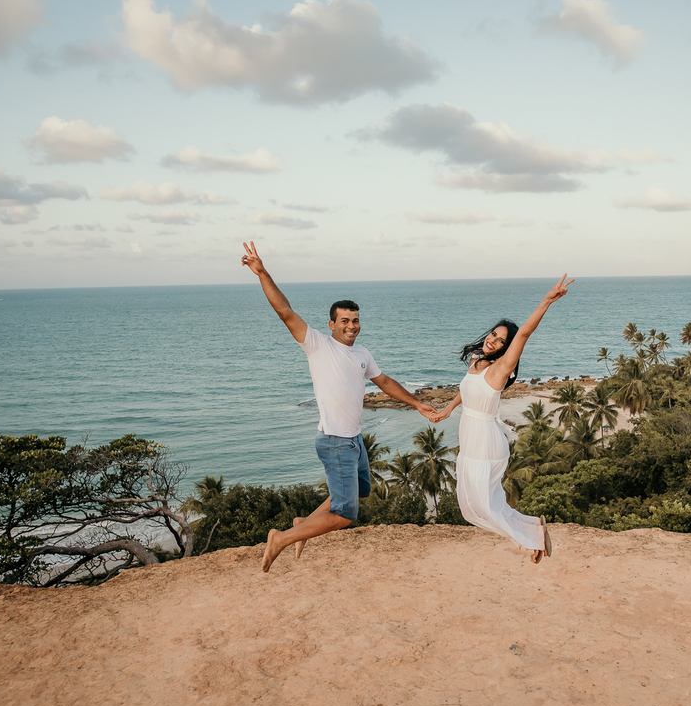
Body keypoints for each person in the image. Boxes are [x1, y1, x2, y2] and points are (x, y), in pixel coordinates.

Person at [241, 241, 438, 572]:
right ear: (331, 324)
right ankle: (282, 539)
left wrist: (418, 403)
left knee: (358, 493)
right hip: (334, 441)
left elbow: (385, 383)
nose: (352, 325)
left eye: (356, 320)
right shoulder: (317, 344)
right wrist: (262, 272)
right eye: (345, 320)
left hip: (355, 440)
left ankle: (305, 523)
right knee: (346, 514)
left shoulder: (362, 355)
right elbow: (285, 311)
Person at [432, 274, 574, 563]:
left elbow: (523, 335)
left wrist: (546, 301)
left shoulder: (500, 370)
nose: (493, 341)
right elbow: (468, 390)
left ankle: (532, 541)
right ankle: (534, 527)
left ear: (506, 349)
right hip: (471, 437)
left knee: (484, 504)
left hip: (486, 440)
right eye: (493, 335)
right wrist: (448, 409)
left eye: (500, 341)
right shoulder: (476, 362)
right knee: (474, 504)